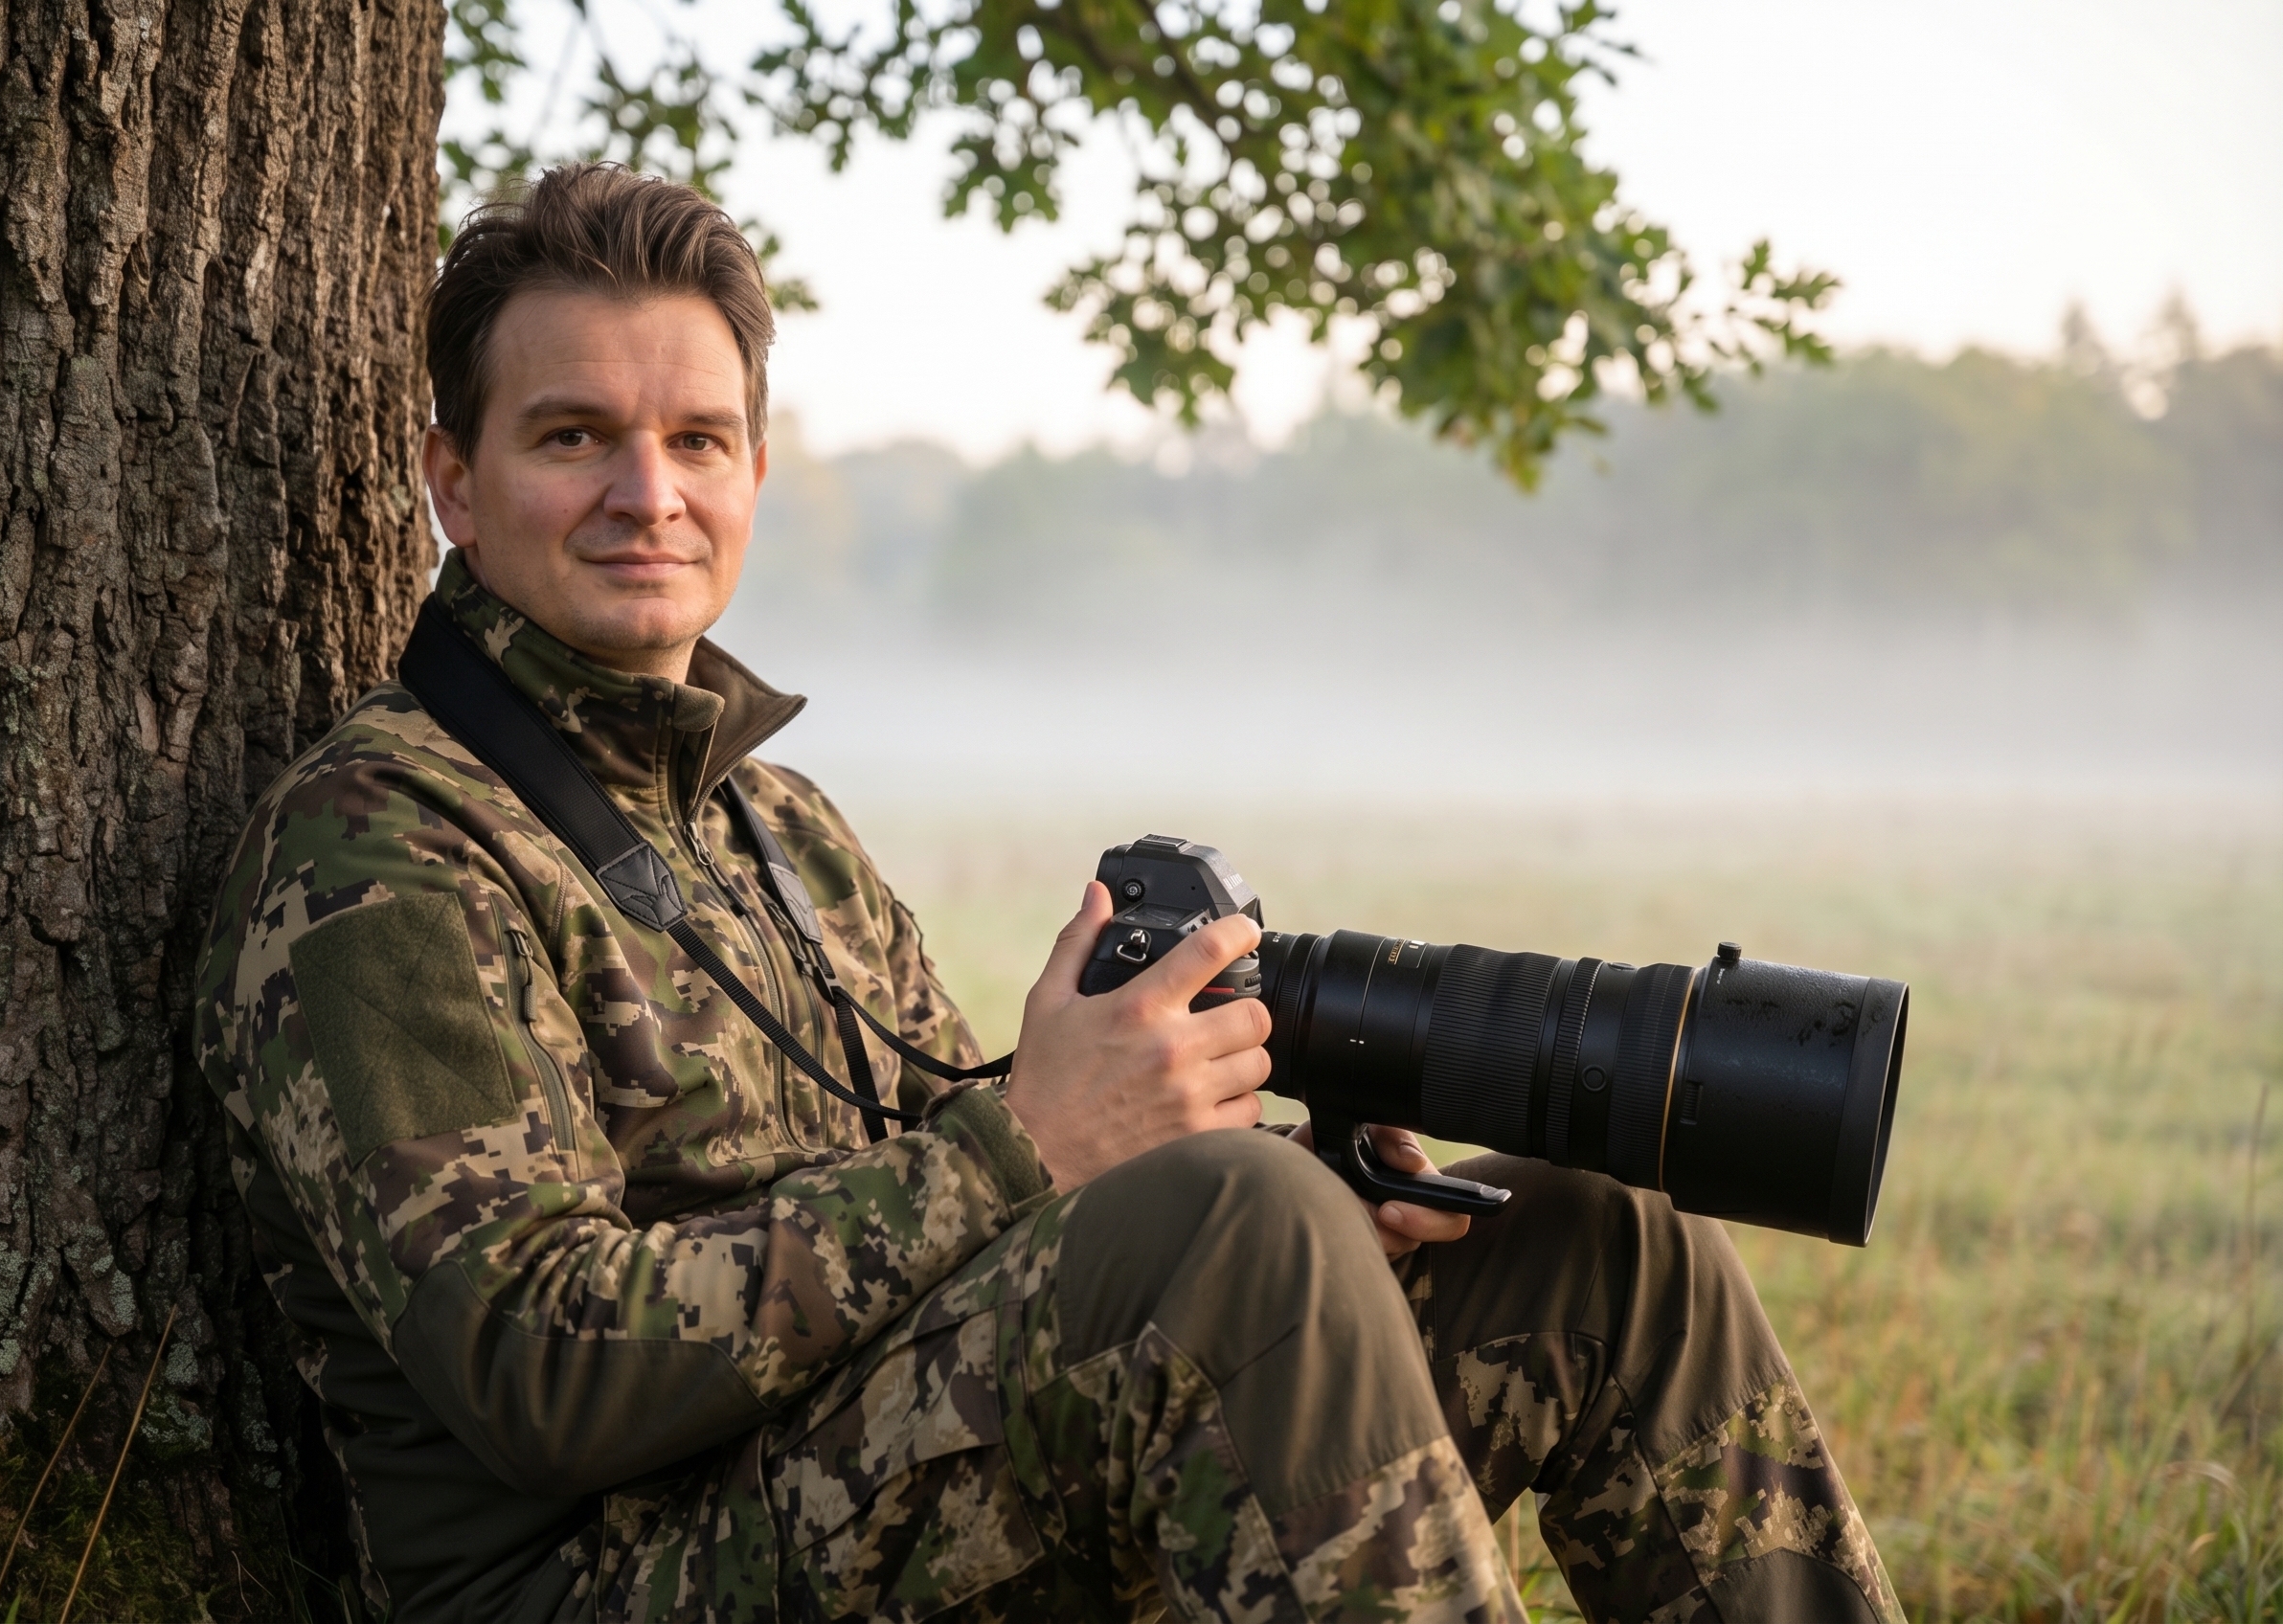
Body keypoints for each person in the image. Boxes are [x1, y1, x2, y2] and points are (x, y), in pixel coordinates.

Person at [194, 163, 1904, 1624]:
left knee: (1602, 1254)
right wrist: (1043, 1142)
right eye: (575, 436)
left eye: (697, 439)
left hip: (879, 1497)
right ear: (450, 480)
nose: (650, 494)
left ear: (756, 479)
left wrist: (1246, 1164)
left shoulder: (777, 824)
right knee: (1239, 1241)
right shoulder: (383, 851)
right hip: (614, 1579)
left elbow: (984, 1226)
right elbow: (539, 1370)